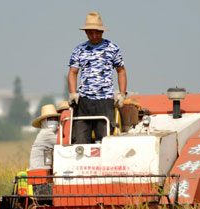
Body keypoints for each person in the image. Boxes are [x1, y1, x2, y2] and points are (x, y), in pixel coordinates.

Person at [68, 11, 127, 144]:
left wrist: (122, 94)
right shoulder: (79, 50)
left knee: (106, 140)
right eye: (90, 33)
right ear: (86, 33)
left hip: (105, 100)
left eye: (97, 32)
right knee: (80, 141)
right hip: (84, 101)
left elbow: (121, 71)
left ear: (102, 32)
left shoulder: (112, 48)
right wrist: (73, 93)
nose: (94, 36)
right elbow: (73, 72)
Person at [29, 104, 60, 170]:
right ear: (44, 121)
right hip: (38, 170)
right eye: (50, 119)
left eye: (55, 119)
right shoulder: (46, 133)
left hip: (45, 169)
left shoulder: (51, 133)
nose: (54, 121)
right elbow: (62, 143)